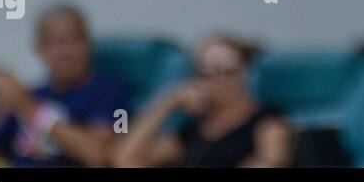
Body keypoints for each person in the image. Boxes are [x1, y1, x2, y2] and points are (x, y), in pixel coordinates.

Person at [0, 4, 129, 168]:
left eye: (74, 41)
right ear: (39, 48)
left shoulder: (110, 91)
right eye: (55, 43)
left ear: (88, 43)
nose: (65, 52)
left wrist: (31, 111)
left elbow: (101, 156)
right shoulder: (30, 95)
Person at [113, 35, 292, 168]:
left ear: (245, 73)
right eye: (207, 74)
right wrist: (168, 102)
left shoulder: (267, 120)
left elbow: (271, 161)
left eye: (228, 72)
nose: (218, 81)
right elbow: (125, 159)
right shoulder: (193, 132)